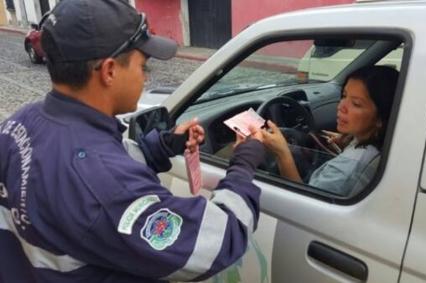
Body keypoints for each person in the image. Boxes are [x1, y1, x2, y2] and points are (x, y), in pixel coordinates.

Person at [0, 0, 265, 282]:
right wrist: (244, 164)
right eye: (143, 66)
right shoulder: (106, 186)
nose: (144, 77)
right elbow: (219, 240)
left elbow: (97, 162)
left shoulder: (20, 122)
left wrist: (164, 145)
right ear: (110, 71)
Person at [261, 65, 399, 197]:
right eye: (344, 96)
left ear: (380, 119)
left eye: (356, 104)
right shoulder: (378, 145)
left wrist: (282, 153)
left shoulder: (344, 170)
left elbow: (306, 203)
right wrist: (348, 141)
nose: (341, 106)